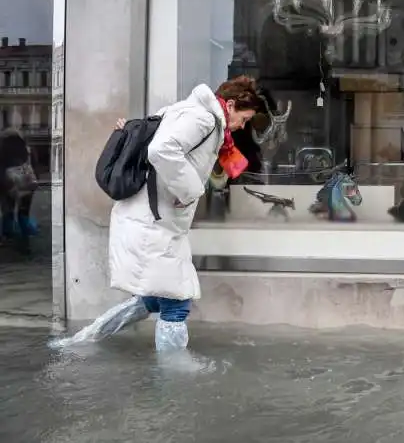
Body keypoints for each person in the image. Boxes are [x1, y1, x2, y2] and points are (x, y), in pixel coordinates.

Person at [51, 77, 263, 352]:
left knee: (153, 298)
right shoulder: (204, 119)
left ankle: (81, 341)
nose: (242, 126)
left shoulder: (183, 111)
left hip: (150, 219)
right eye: (244, 119)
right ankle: (173, 376)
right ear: (231, 105)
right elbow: (161, 150)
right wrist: (191, 191)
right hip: (153, 222)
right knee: (177, 301)